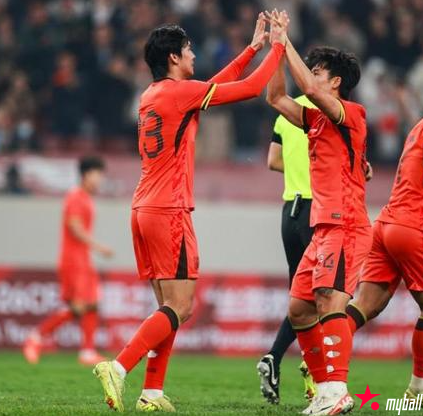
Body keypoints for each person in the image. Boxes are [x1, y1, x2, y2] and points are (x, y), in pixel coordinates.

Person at [93, 15, 287, 413]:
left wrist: (252, 49)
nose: (194, 55)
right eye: (189, 50)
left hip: (144, 207)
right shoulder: (180, 94)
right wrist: (279, 47)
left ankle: (151, 393)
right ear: (173, 57)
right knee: (181, 307)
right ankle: (119, 366)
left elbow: (214, 86)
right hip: (169, 209)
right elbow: (249, 88)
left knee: (168, 308)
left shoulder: (153, 94)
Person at [265, 10, 371, 415]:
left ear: (336, 82)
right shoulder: (314, 120)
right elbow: (276, 98)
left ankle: (337, 389)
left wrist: (286, 39)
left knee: (329, 300)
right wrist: (276, 52)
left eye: (319, 72)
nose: (311, 77)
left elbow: (307, 87)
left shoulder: (351, 114)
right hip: (322, 225)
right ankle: (326, 388)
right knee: (299, 309)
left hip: (346, 224)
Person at [346, 117, 423, 400]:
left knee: (364, 306)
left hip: (386, 223)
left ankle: (322, 362)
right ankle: (417, 388)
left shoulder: (418, 127)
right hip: (412, 227)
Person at [23, 156, 114, 366]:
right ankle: (36, 337)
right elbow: (74, 227)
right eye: (97, 174)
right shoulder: (75, 196)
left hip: (83, 259)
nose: (100, 179)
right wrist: (99, 247)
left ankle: (87, 352)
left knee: (92, 303)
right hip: (73, 260)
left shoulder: (86, 198)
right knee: (78, 306)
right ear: (86, 174)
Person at [257, 94, 316, 405]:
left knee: (300, 297)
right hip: (317, 210)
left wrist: (297, 170)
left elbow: (273, 161)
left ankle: (275, 359)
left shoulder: (285, 113)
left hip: (290, 212)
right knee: (324, 294)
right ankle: (310, 367)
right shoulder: (330, 109)